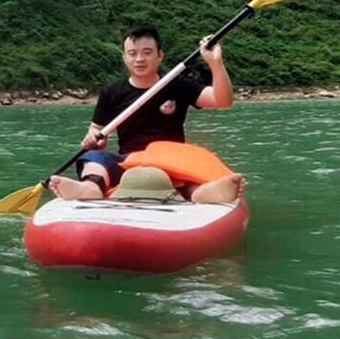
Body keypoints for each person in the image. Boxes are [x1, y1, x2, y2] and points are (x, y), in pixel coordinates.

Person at [48, 24, 246, 204]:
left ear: (160, 55)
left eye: (147, 52)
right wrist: (94, 140)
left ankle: (203, 193)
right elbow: (97, 133)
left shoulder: (178, 86)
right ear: (125, 58)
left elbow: (223, 100)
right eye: (132, 53)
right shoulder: (111, 93)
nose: (139, 59)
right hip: (129, 162)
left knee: (187, 170)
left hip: (171, 160)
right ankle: (90, 188)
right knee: (93, 157)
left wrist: (216, 64)